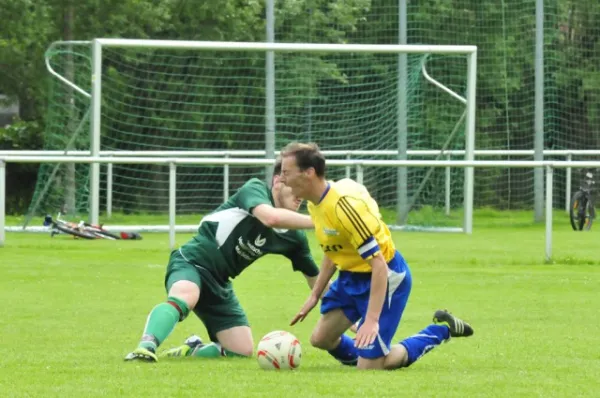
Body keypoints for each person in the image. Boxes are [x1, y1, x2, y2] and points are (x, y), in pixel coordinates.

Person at [280, 142, 473, 370]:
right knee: (320, 339)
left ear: (308, 173)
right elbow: (333, 250)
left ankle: (440, 331)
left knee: (371, 368)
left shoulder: (343, 207)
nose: (282, 179)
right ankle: (368, 359)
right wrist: (314, 295)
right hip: (351, 277)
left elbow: (379, 263)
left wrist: (370, 321)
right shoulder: (315, 205)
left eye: (286, 172)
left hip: (386, 277)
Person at [125, 158, 319, 362]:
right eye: (296, 186)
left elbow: (316, 281)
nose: (301, 196)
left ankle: (192, 349)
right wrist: (323, 220)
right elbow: (271, 218)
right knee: (186, 295)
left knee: (241, 350)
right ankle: (145, 347)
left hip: (219, 282)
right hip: (192, 262)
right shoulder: (254, 189)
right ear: (278, 180)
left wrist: (346, 315)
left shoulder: (294, 237)